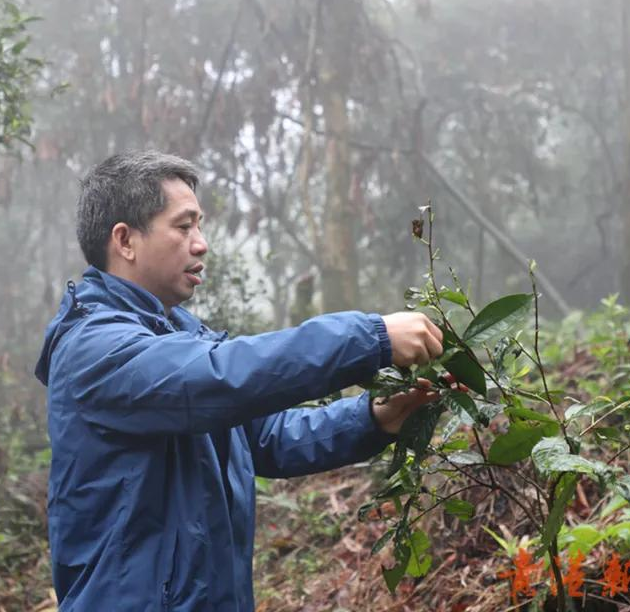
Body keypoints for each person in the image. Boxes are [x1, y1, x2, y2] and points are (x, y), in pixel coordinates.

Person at [34, 150, 450, 611]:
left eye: (200, 225)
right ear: (125, 241)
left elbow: (262, 438)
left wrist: (374, 418)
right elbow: (219, 378)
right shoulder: (94, 348)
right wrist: (367, 337)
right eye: (183, 225)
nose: (201, 243)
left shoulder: (179, 334)